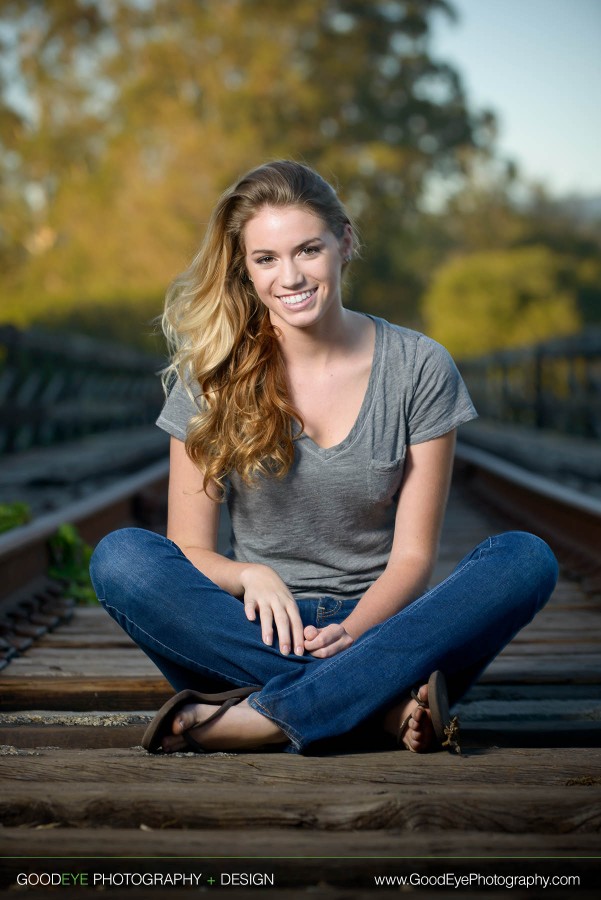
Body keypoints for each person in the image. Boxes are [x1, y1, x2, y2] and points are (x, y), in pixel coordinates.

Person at [90, 160, 558, 756]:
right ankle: (377, 710)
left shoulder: (419, 367)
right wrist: (249, 575)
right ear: (246, 270)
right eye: (266, 259)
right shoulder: (212, 376)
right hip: (245, 630)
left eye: (308, 249)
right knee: (120, 558)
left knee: (524, 559)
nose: (291, 276)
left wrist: (353, 635)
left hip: (383, 627)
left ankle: (262, 717)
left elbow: (414, 559)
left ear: (344, 241)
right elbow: (190, 552)